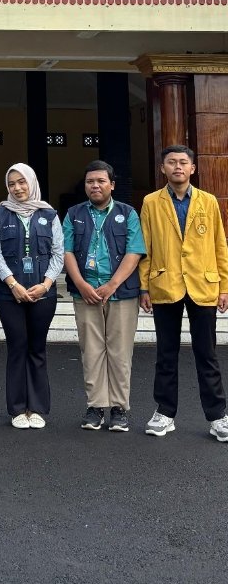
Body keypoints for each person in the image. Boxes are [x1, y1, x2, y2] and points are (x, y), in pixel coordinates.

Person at [140, 145, 228, 441]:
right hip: (165, 284)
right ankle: (165, 412)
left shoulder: (208, 201)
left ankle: (217, 416)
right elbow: (146, 248)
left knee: (208, 354)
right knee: (166, 353)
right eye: (171, 162)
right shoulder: (151, 202)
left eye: (183, 162)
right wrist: (144, 287)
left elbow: (219, 245)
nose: (177, 167)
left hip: (203, 284)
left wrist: (224, 286)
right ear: (162, 168)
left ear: (193, 168)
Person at [63, 160, 146, 432]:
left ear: (112, 185)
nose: (95, 185)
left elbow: (134, 252)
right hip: (85, 293)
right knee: (92, 351)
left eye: (100, 181)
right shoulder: (74, 213)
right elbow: (67, 252)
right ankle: (96, 406)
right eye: (90, 182)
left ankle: (120, 408)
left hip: (121, 294)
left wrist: (111, 285)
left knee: (120, 352)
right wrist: (80, 283)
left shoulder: (128, 213)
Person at [0, 163, 64, 429]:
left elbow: (58, 253)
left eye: (22, 182)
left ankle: (36, 408)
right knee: (16, 347)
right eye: (12, 183)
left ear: (32, 182)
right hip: (8, 293)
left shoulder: (49, 214)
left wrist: (46, 284)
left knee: (37, 348)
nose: (17, 188)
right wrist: (12, 283)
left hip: (42, 293)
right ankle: (17, 409)